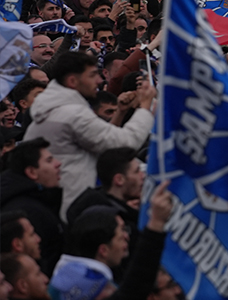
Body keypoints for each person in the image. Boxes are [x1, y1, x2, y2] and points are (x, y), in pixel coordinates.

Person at [24, 52, 156, 218]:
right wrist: (145, 108)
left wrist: (120, 113)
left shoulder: (54, 108)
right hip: (72, 209)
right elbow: (123, 145)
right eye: (93, 75)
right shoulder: (72, 114)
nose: (100, 81)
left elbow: (102, 142)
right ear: (73, 81)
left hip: (58, 205)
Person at [0, 139, 63, 275]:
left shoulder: (37, 201)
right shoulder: (29, 212)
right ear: (32, 172)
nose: (58, 164)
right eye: (49, 161)